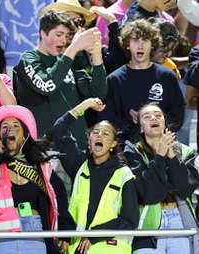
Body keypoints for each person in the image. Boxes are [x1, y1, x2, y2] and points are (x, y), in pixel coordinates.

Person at [0, 105, 76, 254]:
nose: (10, 129)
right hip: (2, 236)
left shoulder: (40, 167)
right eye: (5, 126)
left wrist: (65, 229)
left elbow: (59, 195)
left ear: (24, 134)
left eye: (16, 126)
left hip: (35, 232)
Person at [53, 98, 139, 253]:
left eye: (106, 134)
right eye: (95, 132)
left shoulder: (124, 174)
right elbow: (60, 130)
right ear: (89, 141)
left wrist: (94, 235)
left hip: (110, 249)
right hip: (77, 249)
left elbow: (130, 220)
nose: (99, 136)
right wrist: (83, 107)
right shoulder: (79, 165)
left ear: (113, 144)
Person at [15, 10, 106, 148]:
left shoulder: (67, 61)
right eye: (59, 35)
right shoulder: (29, 59)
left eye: (66, 35)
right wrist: (73, 48)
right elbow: (46, 86)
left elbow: (98, 93)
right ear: (43, 33)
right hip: (48, 150)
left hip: (78, 147)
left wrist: (97, 55)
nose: (64, 40)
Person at [123, 104, 199, 253]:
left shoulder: (185, 151)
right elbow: (148, 194)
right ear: (140, 128)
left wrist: (171, 155)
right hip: (147, 226)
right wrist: (159, 156)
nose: (153, 118)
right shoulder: (132, 152)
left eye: (158, 115)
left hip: (180, 221)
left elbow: (184, 189)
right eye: (147, 116)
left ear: (164, 123)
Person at [98, 19, 185, 143]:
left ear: (153, 44)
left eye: (145, 40)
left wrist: (155, 121)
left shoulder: (167, 76)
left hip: (162, 146)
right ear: (127, 45)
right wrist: (132, 125)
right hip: (126, 149)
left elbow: (178, 115)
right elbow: (107, 119)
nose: (140, 45)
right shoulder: (114, 80)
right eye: (134, 40)